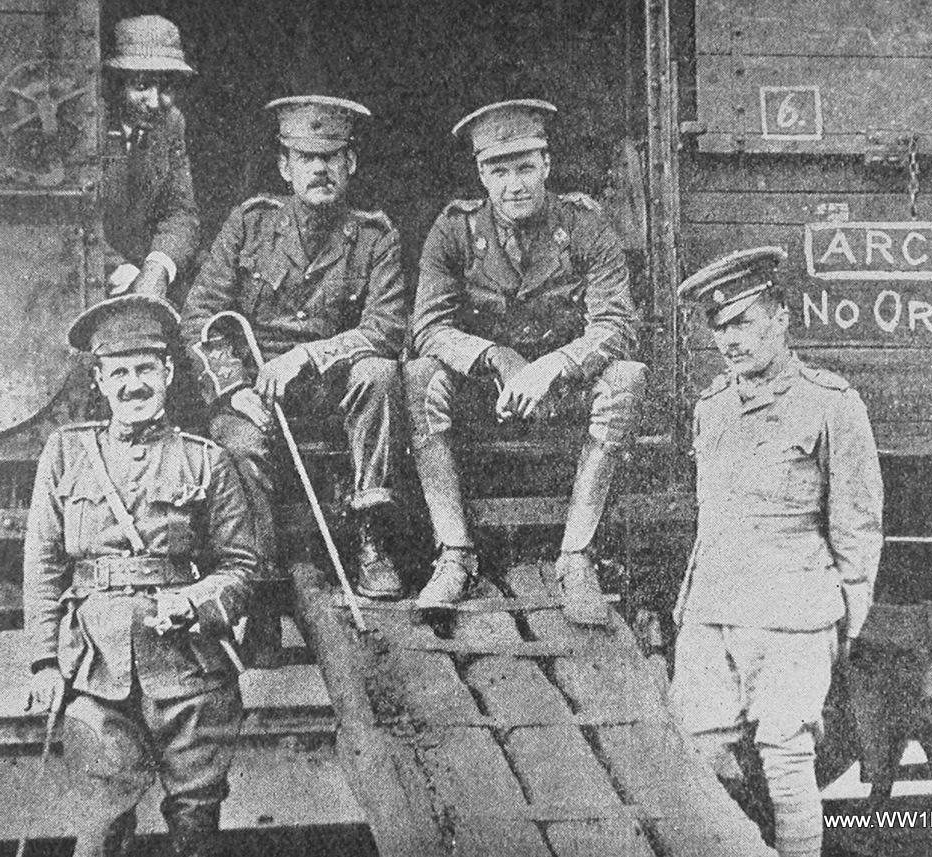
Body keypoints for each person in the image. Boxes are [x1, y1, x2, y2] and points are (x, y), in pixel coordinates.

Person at [23, 294, 258, 857]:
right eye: (119, 373)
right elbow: (44, 563)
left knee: (196, 824)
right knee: (100, 822)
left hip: (190, 670)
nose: (133, 385)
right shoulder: (65, 453)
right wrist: (43, 660)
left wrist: (195, 602)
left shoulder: (207, 460)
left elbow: (242, 567)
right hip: (94, 670)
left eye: (145, 370)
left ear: (169, 373)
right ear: (99, 381)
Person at [669, 247, 884, 857]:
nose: (729, 340)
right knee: (702, 753)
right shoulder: (710, 408)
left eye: (742, 321)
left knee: (788, 757)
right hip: (712, 609)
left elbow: (858, 519)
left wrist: (849, 609)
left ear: (781, 316)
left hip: (795, 607)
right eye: (718, 327)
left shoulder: (832, 403)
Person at [407, 99, 647, 622]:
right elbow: (426, 328)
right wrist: (494, 356)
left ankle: (576, 558)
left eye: (525, 168)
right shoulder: (454, 231)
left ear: (546, 165)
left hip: (564, 392)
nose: (514, 185)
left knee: (627, 379)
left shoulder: (585, 227)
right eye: (499, 171)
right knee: (420, 377)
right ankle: (455, 554)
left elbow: (617, 324)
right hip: (485, 396)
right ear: (481, 174)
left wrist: (553, 365)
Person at [181, 95, 408, 599]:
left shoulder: (375, 238)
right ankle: (256, 573)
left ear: (351, 163)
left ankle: (373, 543)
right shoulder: (250, 225)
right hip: (254, 386)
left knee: (381, 374)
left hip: (333, 385)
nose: (320, 170)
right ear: (285, 166)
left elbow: (387, 327)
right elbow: (200, 317)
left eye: (331, 157)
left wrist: (308, 355)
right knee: (236, 441)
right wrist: (231, 389)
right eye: (307, 158)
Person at [101, 15, 200, 300]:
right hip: (94, 270)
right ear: (117, 86)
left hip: (147, 270)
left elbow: (180, 211)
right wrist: (120, 271)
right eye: (141, 86)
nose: (156, 102)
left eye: (166, 88)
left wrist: (158, 267)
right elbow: (72, 220)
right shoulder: (89, 128)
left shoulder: (171, 123)